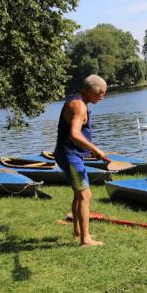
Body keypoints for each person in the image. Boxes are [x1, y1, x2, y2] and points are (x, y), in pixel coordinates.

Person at [54, 75, 111, 247]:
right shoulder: (78, 106)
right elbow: (75, 134)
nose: (102, 97)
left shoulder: (78, 100)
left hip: (72, 154)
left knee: (78, 194)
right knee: (85, 195)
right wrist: (95, 149)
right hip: (69, 156)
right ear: (90, 91)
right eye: (100, 93)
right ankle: (85, 240)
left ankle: (78, 232)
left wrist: (87, 151)